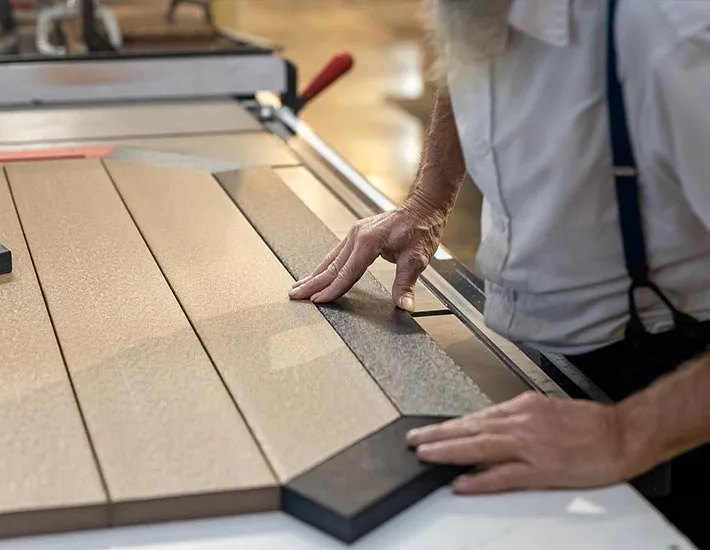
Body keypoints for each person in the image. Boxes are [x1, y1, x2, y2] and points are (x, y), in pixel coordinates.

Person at [289, 0, 710, 544]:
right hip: (560, 361)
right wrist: (426, 200)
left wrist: (625, 433)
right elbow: (469, 53)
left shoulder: (675, 36)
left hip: (678, 397)